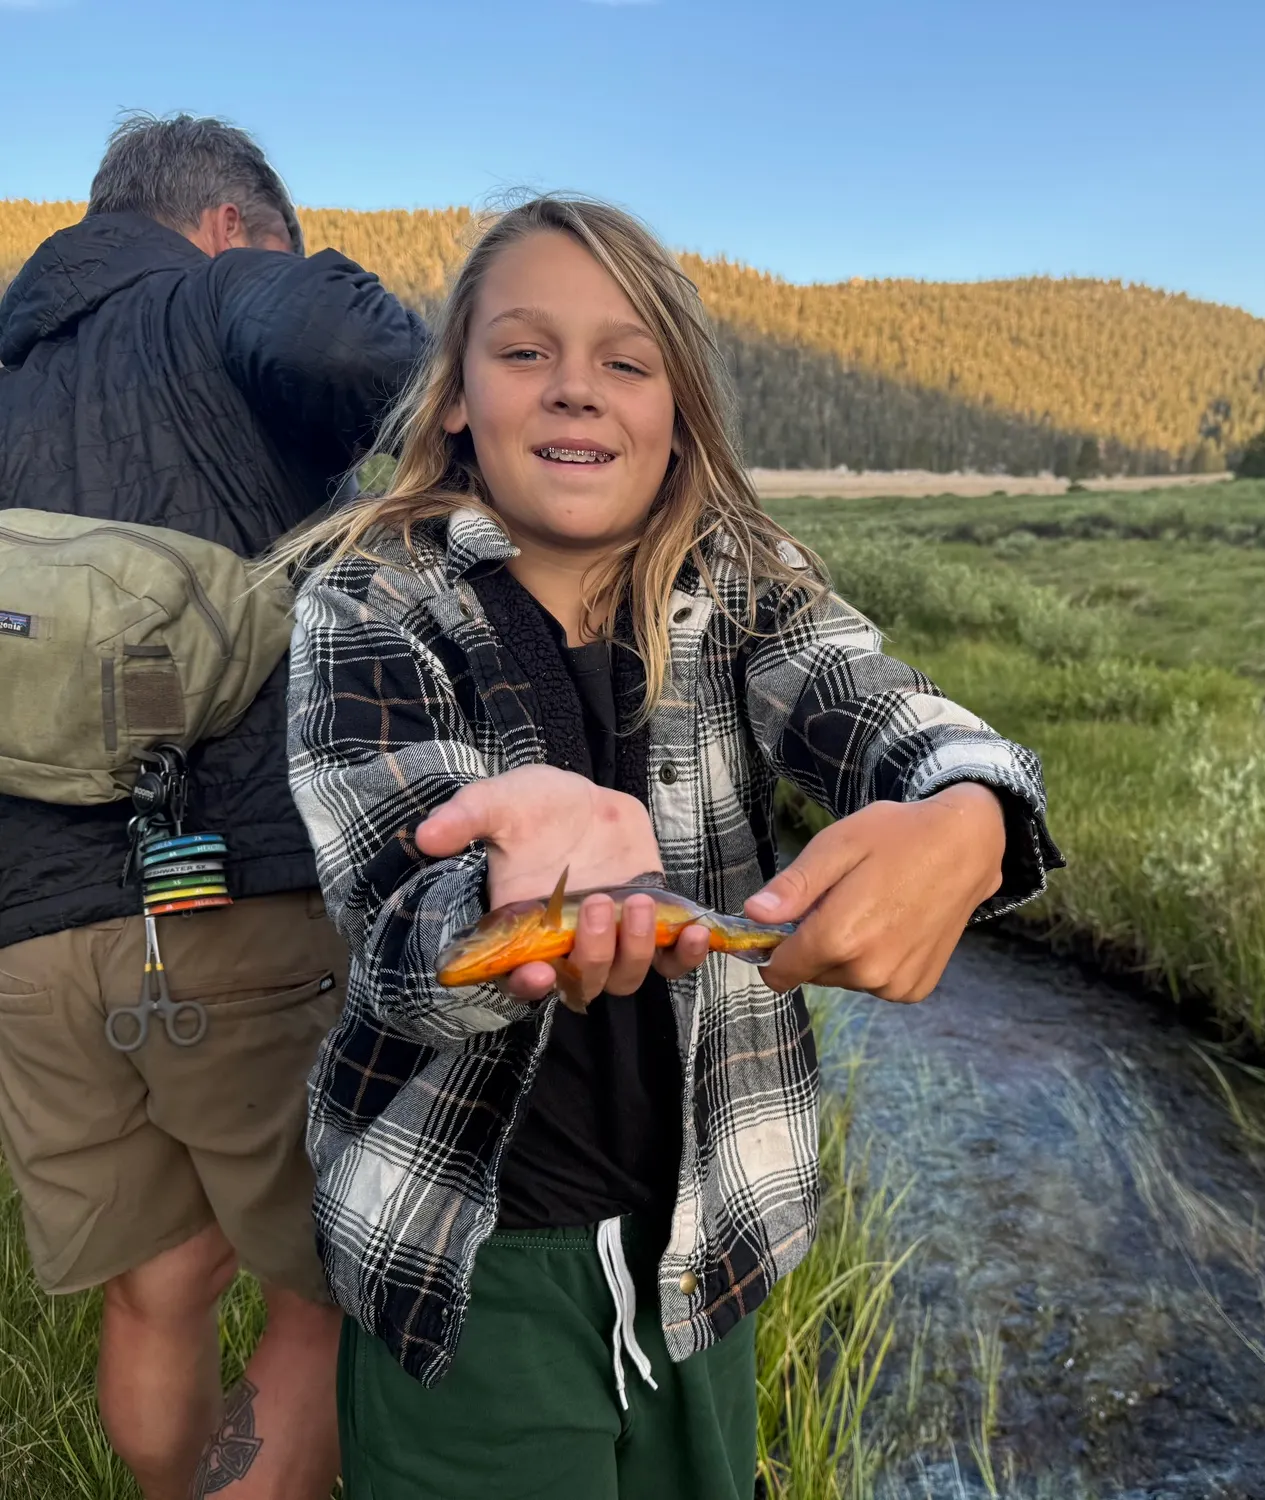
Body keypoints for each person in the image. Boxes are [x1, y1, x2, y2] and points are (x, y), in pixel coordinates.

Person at [281, 193, 1064, 1500]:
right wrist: (498, 896)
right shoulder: (368, 601)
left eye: (626, 361)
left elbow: (890, 708)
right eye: (527, 351)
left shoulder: (749, 583)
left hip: (711, 1247)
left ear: (677, 410)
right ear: (459, 397)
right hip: (464, 1270)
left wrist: (970, 811)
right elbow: (396, 946)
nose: (577, 389)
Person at [0, 114, 426, 1500]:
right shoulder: (216, 290)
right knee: (319, 1295)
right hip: (228, 902)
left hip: (24, 944)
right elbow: (361, 350)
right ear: (233, 223)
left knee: (160, 1283)